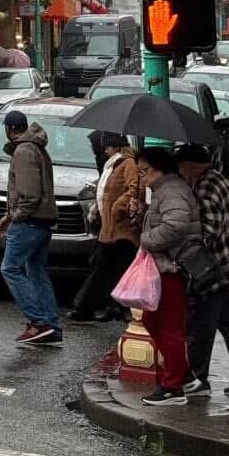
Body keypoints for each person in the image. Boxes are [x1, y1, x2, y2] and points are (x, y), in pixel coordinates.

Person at [176, 144, 229, 398]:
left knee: (202, 326)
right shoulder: (221, 180)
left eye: (181, 169)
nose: (181, 175)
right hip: (228, 267)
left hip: (211, 271)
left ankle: (199, 378)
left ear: (191, 166)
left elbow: (209, 232)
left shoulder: (204, 188)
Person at [136, 146, 201, 406]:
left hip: (173, 268)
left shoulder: (171, 190)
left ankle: (174, 387)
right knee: (152, 320)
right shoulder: (164, 190)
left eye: (145, 171)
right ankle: (182, 374)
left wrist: (146, 239)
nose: (142, 177)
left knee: (169, 327)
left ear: (159, 168)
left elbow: (176, 225)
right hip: (165, 266)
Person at [0, 110, 62, 348]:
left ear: (10, 129)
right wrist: (8, 216)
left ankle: (38, 322)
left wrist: (15, 217)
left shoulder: (23, 151)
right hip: (41, 220)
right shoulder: (37, 148)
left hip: (29, 221)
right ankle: (51, 325)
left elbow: (29, 195)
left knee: (10, 268)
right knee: (36, 272)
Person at [68, 132, 140, 324]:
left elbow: (134, 189)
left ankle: (85, 308)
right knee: (108, 268)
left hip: (120, 229)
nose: (104, 149)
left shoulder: (128, 163)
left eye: (107, 146)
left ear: (117, 146)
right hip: (108, 228)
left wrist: (117, 207)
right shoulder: (113, 165)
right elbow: (107, 190)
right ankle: (110, 307)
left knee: (106, 267)